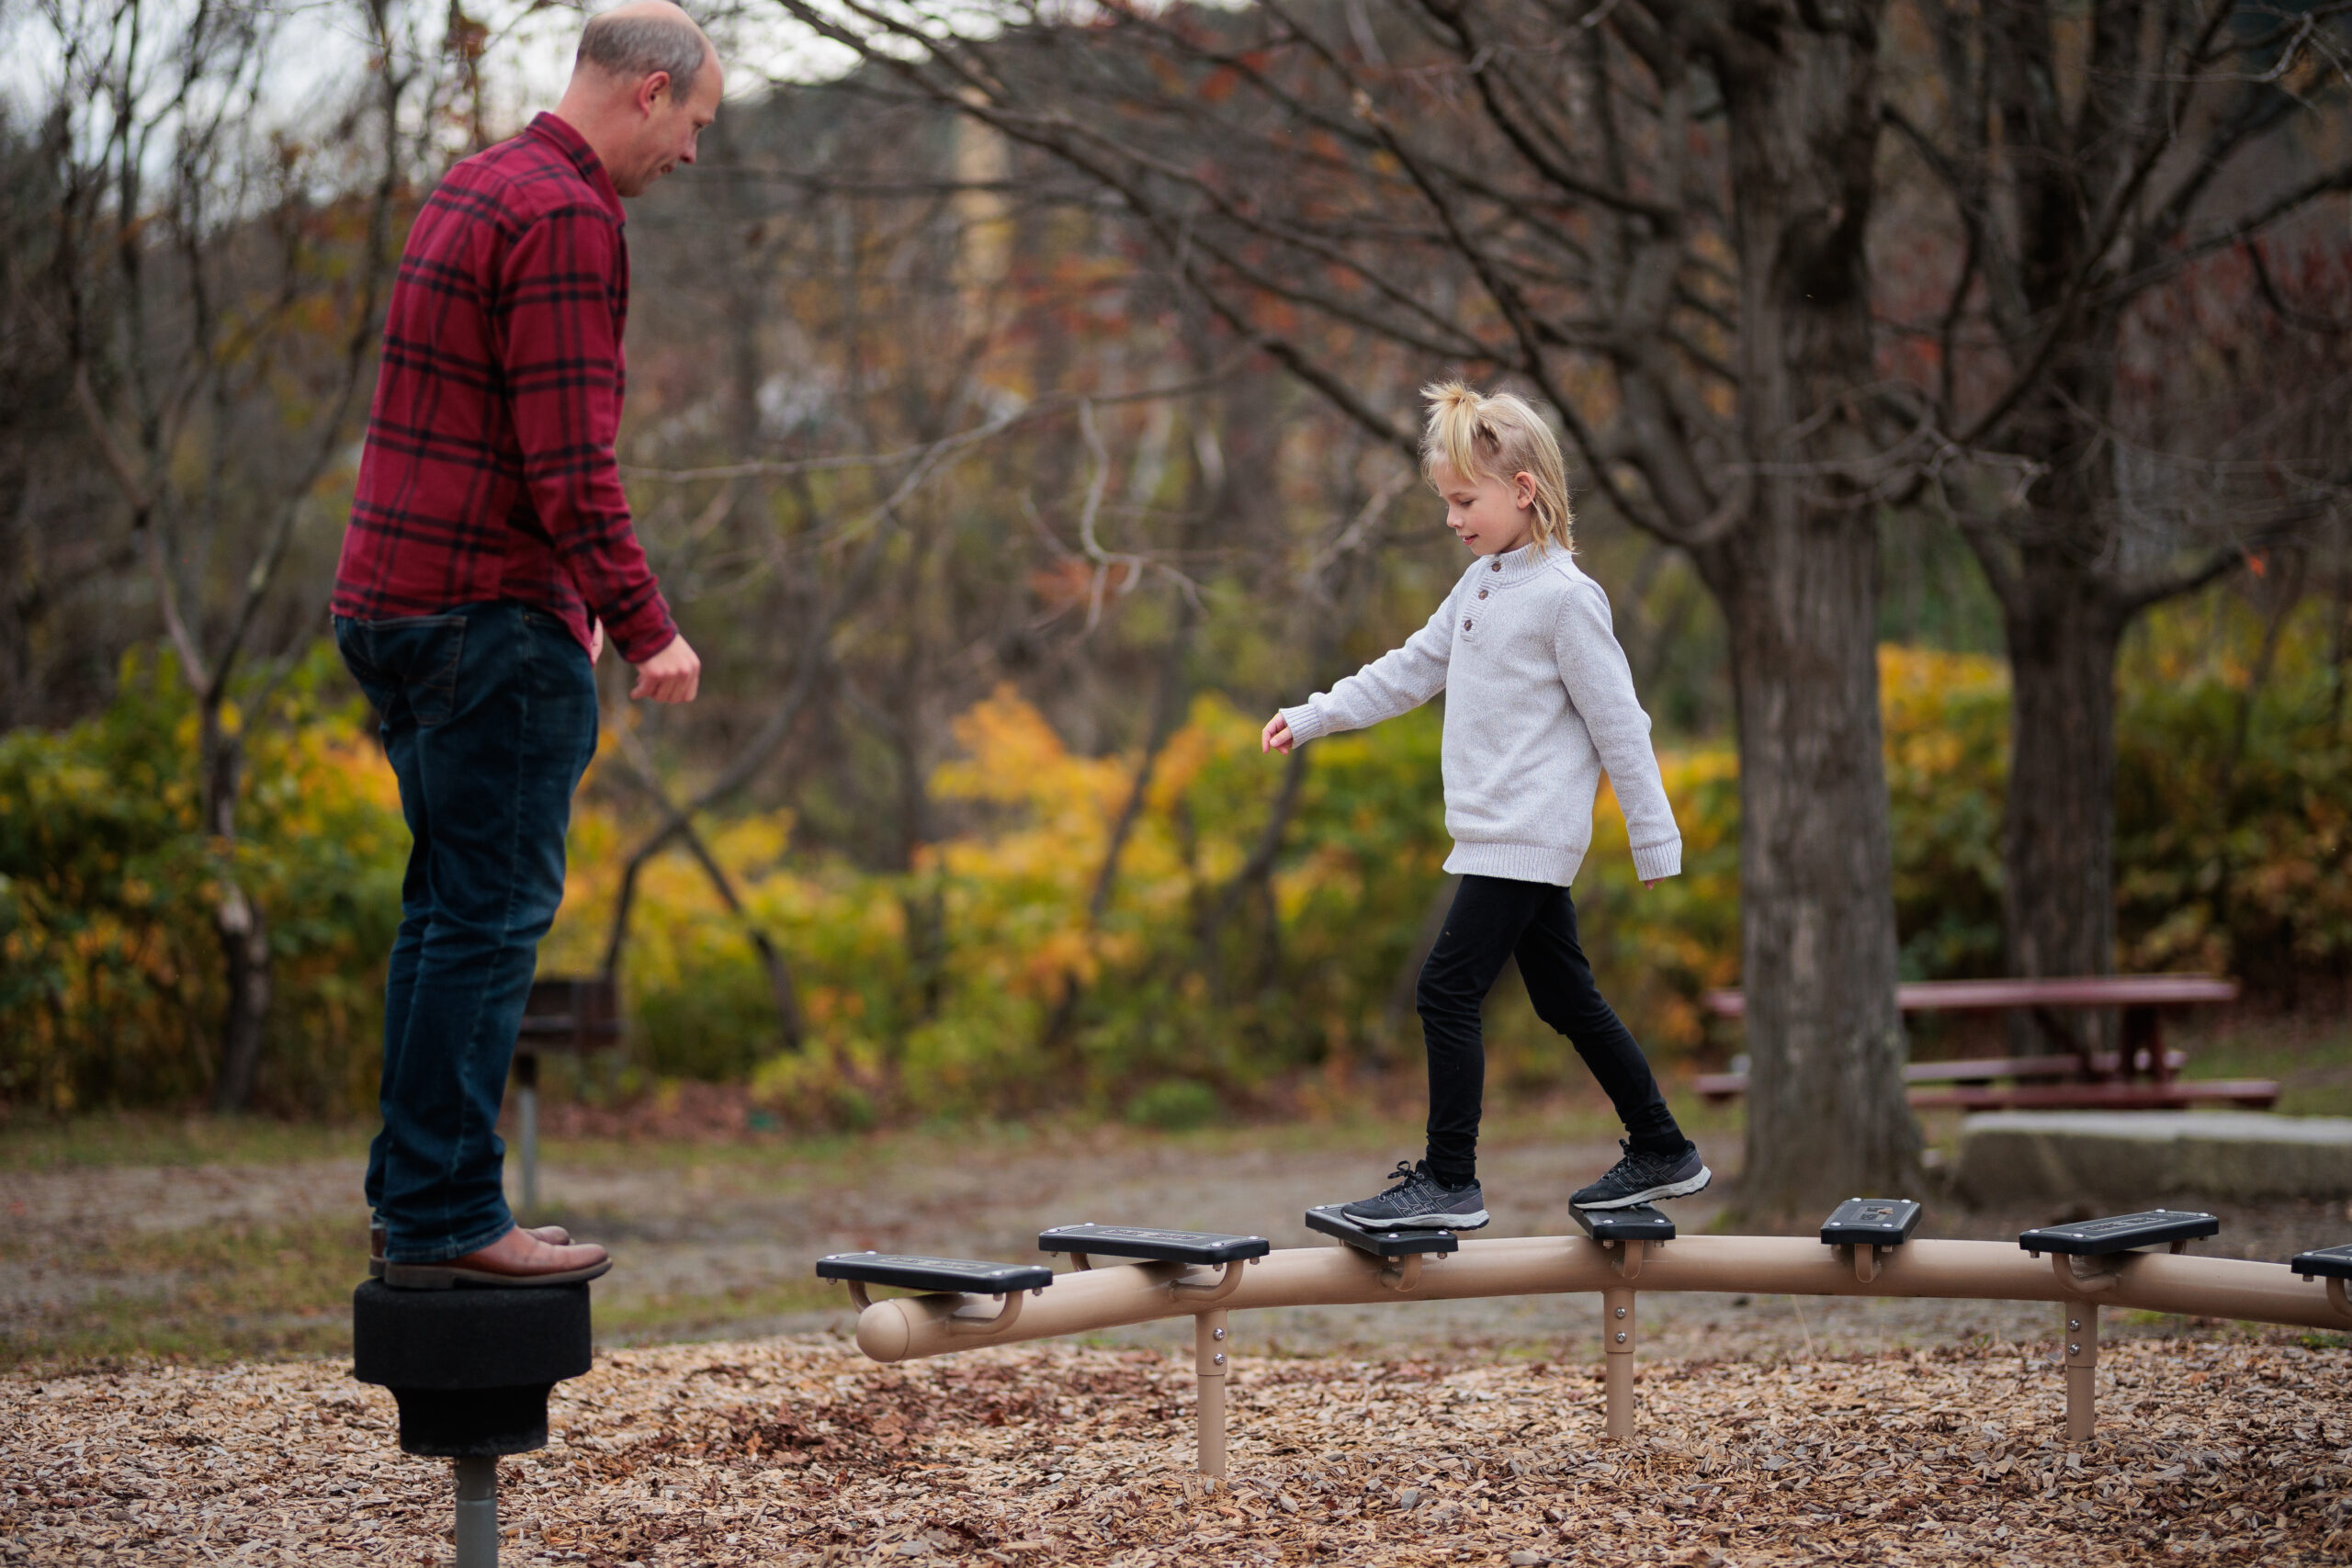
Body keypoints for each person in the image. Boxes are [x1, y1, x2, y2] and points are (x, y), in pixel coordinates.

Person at [332, 2, 722, 1287]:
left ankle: (420, 1203)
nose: (694, 160)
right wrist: (648, 624)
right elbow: (571, 466)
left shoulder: (478, 183)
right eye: (697, 129)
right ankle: (448, 1215)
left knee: (446, 915)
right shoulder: (566, 217)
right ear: (651, 93)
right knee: (491, 919)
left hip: (397, 606)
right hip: (486, 618)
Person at [1262, 382, 1706, 1229]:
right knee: (1565, 998)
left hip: (1523, 833)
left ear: (1523, 490)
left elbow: (1623, 723)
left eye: (1465, 500)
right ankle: (1663, 1146)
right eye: (1447, 502)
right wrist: (1314, 713)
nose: (1454, 518)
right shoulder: (1478, 589)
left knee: (1445, 990)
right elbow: (1407, 670)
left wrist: (1656, 839)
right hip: (1497, 837)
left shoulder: (1566, 598)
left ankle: (1450, 1181)